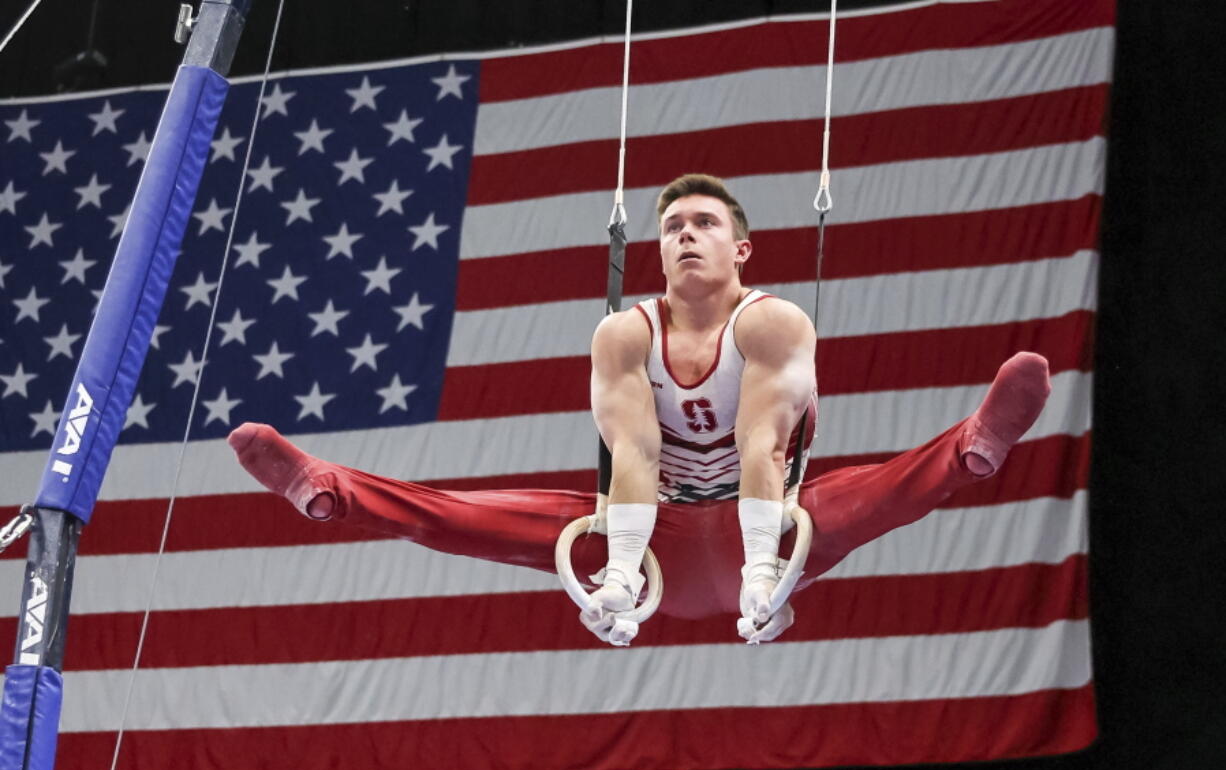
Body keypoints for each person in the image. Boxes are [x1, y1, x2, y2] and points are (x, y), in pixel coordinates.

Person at [228, 173, 1051, 647]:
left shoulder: (771, 322)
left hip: (764, 531)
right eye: (672, 227)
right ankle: (329, 488)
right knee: (471, 516)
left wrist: (764, 572)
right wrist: (619, 572)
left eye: (704, 223)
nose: (685, 235)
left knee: (860, 497)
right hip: (649, 527)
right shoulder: (624, 335)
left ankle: (973, 446)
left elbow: (762, 441)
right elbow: (635, 457)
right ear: (655, 248)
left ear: (743, 248)